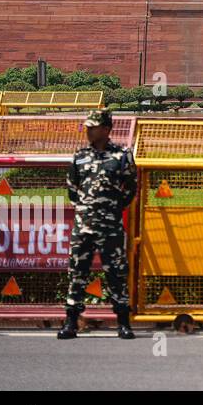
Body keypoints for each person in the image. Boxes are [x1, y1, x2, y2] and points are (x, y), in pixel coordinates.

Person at [59, 109, 137, 340]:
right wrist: (87, 210)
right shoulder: (79, 156)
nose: (88, 131)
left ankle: (123, 322)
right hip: (83, 227)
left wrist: (112, 209)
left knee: (116, 273)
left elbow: (130, 188)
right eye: (87, 127)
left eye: (93, 127)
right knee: (77, 273)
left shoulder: (122, 156)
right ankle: (71, 322)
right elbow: (72, 191)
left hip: (110, 226)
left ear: (106, 129)